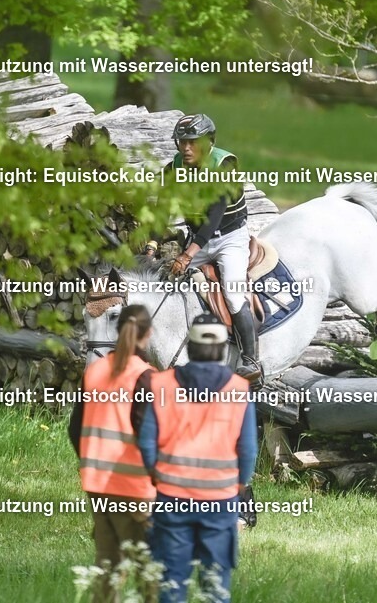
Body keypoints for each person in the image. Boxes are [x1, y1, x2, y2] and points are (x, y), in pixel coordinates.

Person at [135, 314, 258, 603]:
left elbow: (147, 443)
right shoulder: (239, 390)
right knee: (215, 584)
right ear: (222, 348)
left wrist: (158, 478)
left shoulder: (161, 385)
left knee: (171, 582)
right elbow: (248, 451)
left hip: (171, 497)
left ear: (190, 345)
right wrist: (239, 485)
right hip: (220, 499)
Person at [69, 305, 158, 603]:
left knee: (108, 568)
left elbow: (75, 428)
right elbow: (150, 440)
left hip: (97, 484)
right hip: (134, 489)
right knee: (153, 570)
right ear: (147, 335)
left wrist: (91, 462)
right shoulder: (145, 377)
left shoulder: (94, 371)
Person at [165, 113, 261, 381]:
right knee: (167, 284)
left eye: (193, 142)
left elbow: (214, 217)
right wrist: (150, 244)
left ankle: (251, 360)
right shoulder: (173, 168)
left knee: (232, 293)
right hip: (198, 239)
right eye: (182, 142)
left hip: (230, 237)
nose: (186, 148)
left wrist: (187, 255)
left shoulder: (224, 165)